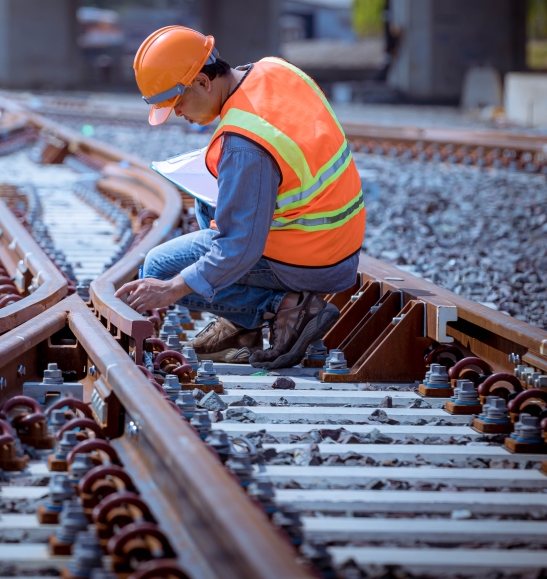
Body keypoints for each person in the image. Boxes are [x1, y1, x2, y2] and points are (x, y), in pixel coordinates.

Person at [115, 25, 365, 369]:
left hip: (312, 258)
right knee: (209, 196)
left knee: (159, 267)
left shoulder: (245, 145)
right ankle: (243, 328)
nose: (177, 114)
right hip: (337, 240)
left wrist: (172, 288)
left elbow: (239, 248)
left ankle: (286, 307)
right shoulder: (275, 68)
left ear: (203, 82)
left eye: (177, 102)